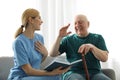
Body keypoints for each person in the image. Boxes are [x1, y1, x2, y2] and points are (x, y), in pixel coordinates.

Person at [7, 8, 69, 80]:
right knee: (53, 76)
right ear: (31, 20)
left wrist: (45, 54)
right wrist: (51, 73)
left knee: (57, 77)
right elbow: (28, 71)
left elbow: (35, 64)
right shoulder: (18, 42)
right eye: (39, 18)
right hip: (21, 77)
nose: (42, 21)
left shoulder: (39, 38)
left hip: (32, 76)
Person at [50, 14, 112, 80]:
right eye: (75, 23)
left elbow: (104, 58)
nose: (77, 25)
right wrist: (59, 37)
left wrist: (92, 47)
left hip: (95, 73)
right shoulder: (68, 40)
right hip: (73, 73)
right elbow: (52, 54)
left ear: (88, 24)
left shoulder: (98, 38)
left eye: (80, 22)